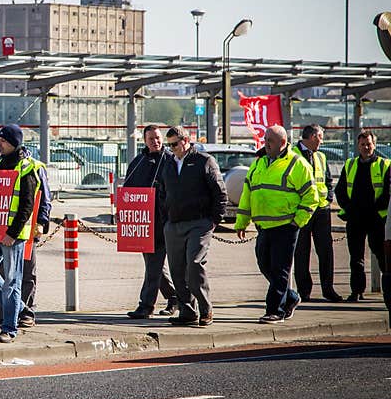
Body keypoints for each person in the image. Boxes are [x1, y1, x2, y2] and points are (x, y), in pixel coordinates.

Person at [235, 126, 318, 324]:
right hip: (263, 226)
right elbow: (248, 194)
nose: (266, 143)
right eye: (265, 139)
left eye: (270, 140)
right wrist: (242, 222)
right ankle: (290, 297)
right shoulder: (259, 163)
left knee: (280, 269)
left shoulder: (297, 164)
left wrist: (297, 222)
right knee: (265, 265)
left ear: (282, 142)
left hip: (286, 227)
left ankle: (275, 311)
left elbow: (311, 197)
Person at [156, 125, 227, 327]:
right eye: (169, 146)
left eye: (175, 144)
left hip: (199, 222)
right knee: (176, 269)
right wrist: (166, 219)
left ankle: (206, 309)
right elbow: (162, 192)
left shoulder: (204, 161)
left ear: (186, 141)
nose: (172, 149)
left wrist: (214, 220)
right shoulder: (169, 164)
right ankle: (187, 311)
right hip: (174, 224)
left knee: (194, 265)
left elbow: (220, 192)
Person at [0, 124, 39, 343]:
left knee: (12, 281)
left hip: (12, 236)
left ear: (14, 142)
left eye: (2, 141)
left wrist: (12, 233)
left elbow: (27, 205)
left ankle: (9, 328)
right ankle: (23, 310)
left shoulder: (26, 167)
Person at [0, 145, 52, 328]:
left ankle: (20, 319)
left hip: (23, 230)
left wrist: (41, 223)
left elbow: (43, 199)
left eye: (3, 140)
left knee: (23, 274)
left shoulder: (33, 167)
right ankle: (9, 312)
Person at [124, 124, 179, 319]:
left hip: (164, 222)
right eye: (151, 139)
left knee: (153, 266)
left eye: (157, 138)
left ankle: (146, 306)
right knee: (153, 266)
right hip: (144, 224)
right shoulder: (139, 161)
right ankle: (175, 298)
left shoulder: (170, 160)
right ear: (144, 141)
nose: (155, 142)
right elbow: (127, 190)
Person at [335, 129, 391, 302]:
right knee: (356, 257)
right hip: (355, 218)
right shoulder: (350, 165)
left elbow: (388, 192)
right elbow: (340, 190)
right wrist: (349, 209)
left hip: (377, 219)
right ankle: (357, 291)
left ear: (374, 145)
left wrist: (375, 209)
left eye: (369, 144)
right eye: (363, 144)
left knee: (383, 256)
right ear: (358, 146)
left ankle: (388, 291)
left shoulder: (384, 165)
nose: (366, 147)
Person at [292, 124, 343, 302]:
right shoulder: (293, 155)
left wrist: (328, 198)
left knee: (326, 251)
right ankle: (304, 291)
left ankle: (328, 289)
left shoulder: (321, 156)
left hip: (321, 210)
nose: (322, 141)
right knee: (301, 252)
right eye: (321, 137)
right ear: (313, 136)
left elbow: (327, 181)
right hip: (302, 210)